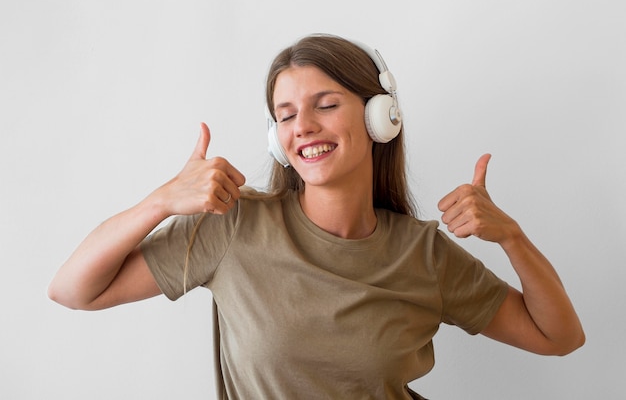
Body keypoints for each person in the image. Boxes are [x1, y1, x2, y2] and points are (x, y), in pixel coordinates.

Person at [48, 34, 585, 399]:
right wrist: (161, 201)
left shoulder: (424, 255)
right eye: (286, 115)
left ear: (379, 117)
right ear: (277, 139)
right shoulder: (233, 227)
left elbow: (559, 337)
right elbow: (74, 289)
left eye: (325, 104)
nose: (303, 125)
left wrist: (512, 237)